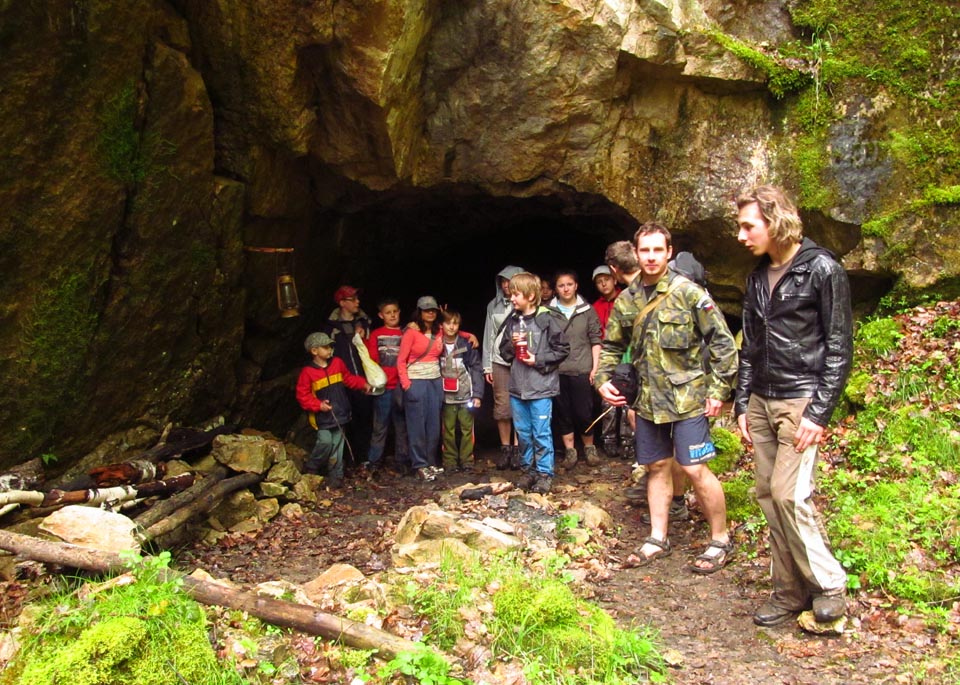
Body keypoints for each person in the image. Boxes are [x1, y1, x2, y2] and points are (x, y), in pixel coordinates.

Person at [734, 185, 853, 627]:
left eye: (748, 226)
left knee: (789, 494)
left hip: (800, 398)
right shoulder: (755, 276)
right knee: (768, 496)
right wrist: (742, 401)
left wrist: (819, 413)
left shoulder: (823, 269)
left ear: (774, 219)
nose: (741, 235)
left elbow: (839, 346)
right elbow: (750, 343)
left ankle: (829, 584)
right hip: (762, 399)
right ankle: (788, 590)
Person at [596, 223, 738, 573]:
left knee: (693, 468)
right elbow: (613, 346)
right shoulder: (627, 299)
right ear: (636, 253)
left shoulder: (689, 293)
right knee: (656, 466)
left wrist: (719, 391)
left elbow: (723, 344)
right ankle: (658, 536)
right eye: (645, 250)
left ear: (669, 252)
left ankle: (720, 539)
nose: (651, 257)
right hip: (648, 400)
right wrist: (602, 378)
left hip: (688, 398)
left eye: (658, 250)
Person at [498, 272, 570, 494]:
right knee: (524, 433)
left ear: (530, 296)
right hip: (518, 387)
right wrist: (512, 344)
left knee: (541, 432)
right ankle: (528, 471)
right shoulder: (512, 320)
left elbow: (562, 350)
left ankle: (545, 474)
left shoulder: (547, 319)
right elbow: (504, 352)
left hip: (541, 387)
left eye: (516, 294)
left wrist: (537, 359)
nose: (511, 298)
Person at [295, 332, 371, 488]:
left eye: (330, 346)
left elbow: (348, 378)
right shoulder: (308, 372)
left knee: (337, 447)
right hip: (322, 418)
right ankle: (312, 467)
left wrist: (362, 384)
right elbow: (303, 396)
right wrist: (318, 405)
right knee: (325, 442)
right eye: (325, 347)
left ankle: (336, 476)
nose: (329, 350)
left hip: (340, 413)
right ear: (314, 351)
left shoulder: (337, 363)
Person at [549, 269, 602, 469]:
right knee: (563, 412)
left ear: (576, 286)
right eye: (561, 285)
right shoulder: (548, 312)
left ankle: (589, 448)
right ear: (555, 289)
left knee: (584, 412)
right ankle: (570, 452)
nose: (566, 289)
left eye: (569, 284)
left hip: (582, 368)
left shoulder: (587, 310)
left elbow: (596, 340)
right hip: (558, 370)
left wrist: (595, 367)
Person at [598, 242, 641, 460]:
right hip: (644, 379)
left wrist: (601, 377)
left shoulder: (625, 299)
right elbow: (613, 344)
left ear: (614, 270)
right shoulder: (625, 299)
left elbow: (611, 344)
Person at [397, 296, 445, 482]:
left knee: (433, 425)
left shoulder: (439, 331)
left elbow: (454, 331)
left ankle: (431, 462)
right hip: (416, 381)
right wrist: (407, 385)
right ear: (419, 312)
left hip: (434, 381)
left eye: (433, 309)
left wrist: (468, 336)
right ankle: (419, 464)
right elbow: (401, 360)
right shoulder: (411, 332)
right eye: (426, 310)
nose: (430, 313)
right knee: (417, 425)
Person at [324, 285, 373, 466]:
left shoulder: (365, 322)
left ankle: (364, 458)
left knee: (365, 417)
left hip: (363, 378)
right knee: (344, 419)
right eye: (353, 299)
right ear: (342, 303)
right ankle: (345, 460)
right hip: (341, 381)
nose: (357, 302)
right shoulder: (331, 328)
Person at [482, 265, 525, 469]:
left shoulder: (527, 303)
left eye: (510, 280)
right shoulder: (494, 305)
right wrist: (487, 366)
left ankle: (519, 449)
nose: (506, 285)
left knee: (521, 404)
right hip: (499, 360)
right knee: (502, 406)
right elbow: (489, 335)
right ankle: (505, 448)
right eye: (503, 281)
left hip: (522, 360)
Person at [365, 298, 409, 474]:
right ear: (381, 315)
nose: (392, 315)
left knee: (401, 426)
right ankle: (374, 461)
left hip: (401, 387)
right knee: (380, 426)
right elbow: (372, 359)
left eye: (395, 311)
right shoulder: (376, 334)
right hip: (383, 388)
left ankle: (402, 460)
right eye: (388, 312)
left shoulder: (406, 332)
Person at [439, 309, 484, 473]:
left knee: (467, 429)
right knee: (448, 429)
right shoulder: (436, 344)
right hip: (445, 397)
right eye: (448, 323)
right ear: (441, 325)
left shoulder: (466, 344)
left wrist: (477, 394)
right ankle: (449, 460)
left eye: (455, 323)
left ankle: (467, 460)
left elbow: (477, 369)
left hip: (465, 395)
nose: (451, 327)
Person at [591, 265, 620, 335]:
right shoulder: (594, 307)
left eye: (607, 279)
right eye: (599, 282)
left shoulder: (625, 299)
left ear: (615, 280)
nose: (604, 284)